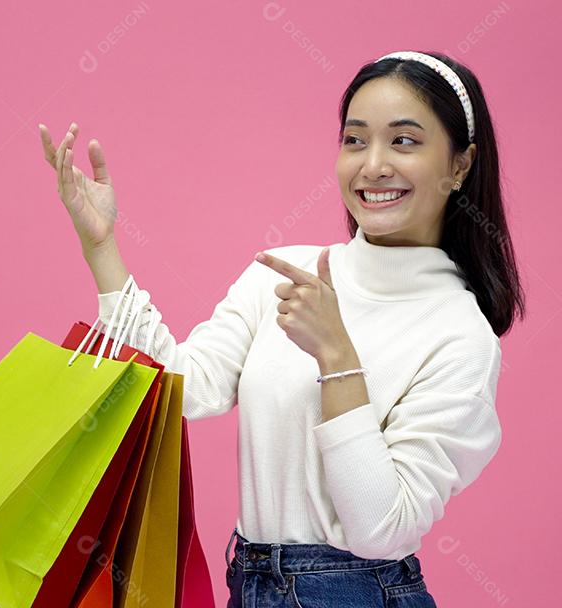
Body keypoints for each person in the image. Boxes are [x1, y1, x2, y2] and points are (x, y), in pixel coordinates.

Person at [38, 49, 525, 608]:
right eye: (355, 139)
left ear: (460, 165)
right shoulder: (284, 274)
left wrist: (337, 356)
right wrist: (102, 248)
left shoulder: (460, 335)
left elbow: (381, 528)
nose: (373, 166)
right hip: (250, 583)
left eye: (405, 141)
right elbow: (183, 388)